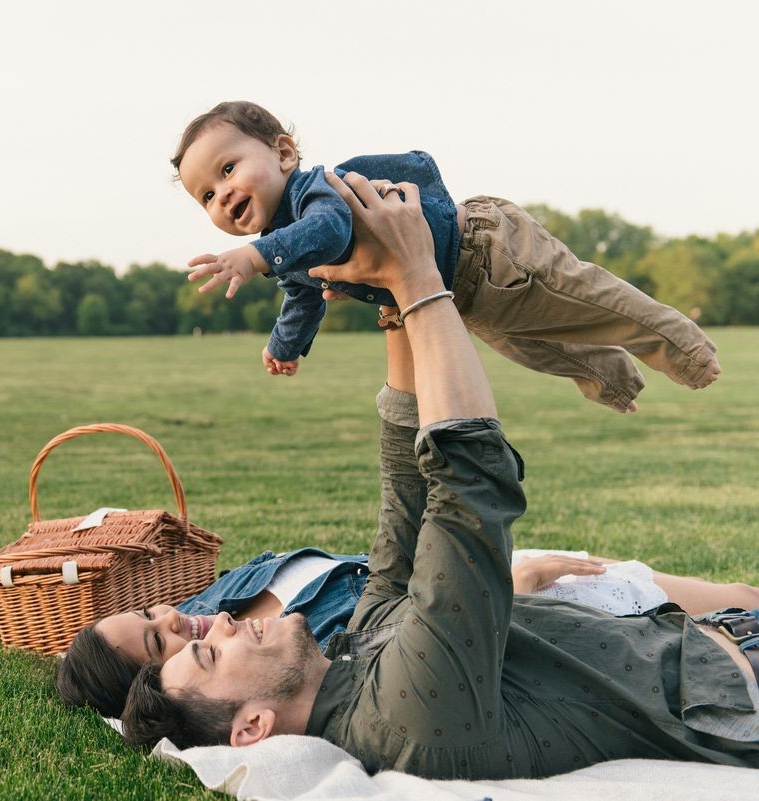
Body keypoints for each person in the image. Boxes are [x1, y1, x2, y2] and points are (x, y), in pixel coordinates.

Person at [119, 172, 759, 778]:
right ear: (253, 729)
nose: (222, 623)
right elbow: (468, 494)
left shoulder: (352, 647)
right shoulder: (407, 716)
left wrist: (393, 299)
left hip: (713, 636)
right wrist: (421, 278)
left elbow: (408, 497)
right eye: (208, 654)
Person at [173, 101, 719, 412]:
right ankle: (619, 383)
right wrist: (284, 343)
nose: (221, 194)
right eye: (205, 197)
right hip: (457, 295)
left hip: (488, 250)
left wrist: (254, 255)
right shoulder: (288, 248)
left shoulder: (316, 192)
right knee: (541, 350)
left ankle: (685, 348)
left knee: (587, 301)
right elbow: (304, 296)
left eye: (227, 170)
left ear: (284, 153)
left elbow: (329, 228)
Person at [57, 544, 759, 719]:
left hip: (481, 566)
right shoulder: (293, 663)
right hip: (503, 599)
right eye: (159, 639)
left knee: (741, 598)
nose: (171, 616)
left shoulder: (226, 596)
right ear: (164, 679)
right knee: (735, 609)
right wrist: (504, 587)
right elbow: (415, 643)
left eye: (151, 611)